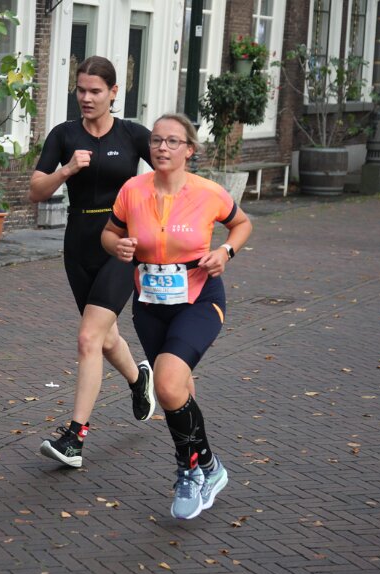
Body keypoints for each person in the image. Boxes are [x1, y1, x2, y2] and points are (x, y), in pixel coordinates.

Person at [101, 113, 253, 520]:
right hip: (149, 305)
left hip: (199, 300)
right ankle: (209, 468)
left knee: (167, 385)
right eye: (156, 140)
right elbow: (109, 232)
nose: (162, 148)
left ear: (189, 150)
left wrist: (225, 252)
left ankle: (189, 470)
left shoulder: (208, 192)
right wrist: (118, 247)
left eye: (172, 141)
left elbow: (241, 224)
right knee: (177, 390)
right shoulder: (132, 190)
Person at [28, 56, 156, 469]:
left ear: (114, 93)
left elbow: (173, 175)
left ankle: (74, 438)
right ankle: (139, 379)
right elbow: (36, 190)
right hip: (78, 245)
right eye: (81, 90)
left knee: (88, 337)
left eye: (95, 91)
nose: (86, 97)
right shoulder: (64, 135)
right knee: (104, 336)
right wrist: (66, 170)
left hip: (120, 246)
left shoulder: (133, 135)